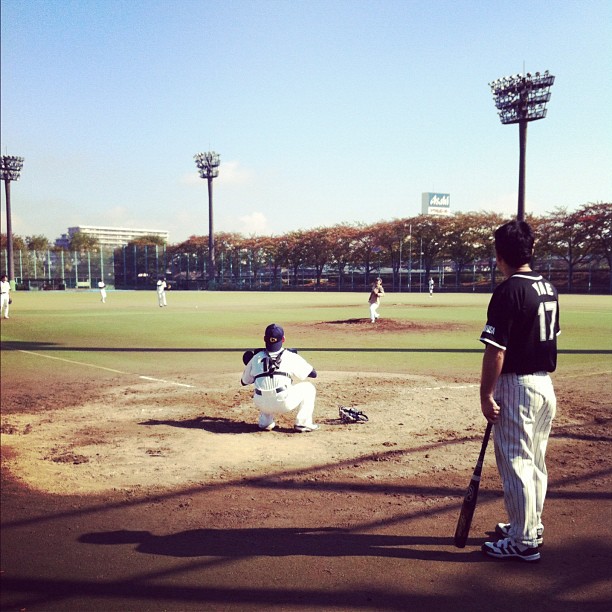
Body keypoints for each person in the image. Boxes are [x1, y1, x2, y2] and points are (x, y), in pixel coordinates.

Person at [479, 220, 560, 563]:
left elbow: (496, 350)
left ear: (500, 255)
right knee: (535, 461)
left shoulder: (508, 290)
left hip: (519, 387)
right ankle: (528, 525)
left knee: (516, 462)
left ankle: (524, 541)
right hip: (544, 386)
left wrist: (486, 394)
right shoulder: (547, 286)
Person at [241, 323, 319, 432]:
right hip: (284, 402)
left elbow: (244, 381)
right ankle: (303, 423)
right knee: (309, 388)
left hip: (262, 404)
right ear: (283, 339)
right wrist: (294, 358)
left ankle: (265, 422)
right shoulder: (290, 356)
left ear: (264, 339)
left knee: (264, 385)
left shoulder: (256, 357)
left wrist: (254, 365)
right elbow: (313, 374)